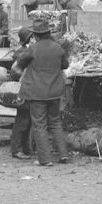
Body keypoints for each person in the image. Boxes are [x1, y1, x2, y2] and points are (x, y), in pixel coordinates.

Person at [13, 19, 70, 166]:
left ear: (36, 35)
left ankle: (45, 159)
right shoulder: (58, 48)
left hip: (37, 92)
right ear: (48, 33)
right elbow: (65, 65)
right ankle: (63, 155)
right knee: (55, 123)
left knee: (39, 125)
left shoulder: (32, 49)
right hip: (55, 92)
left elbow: (18, 66)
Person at [9, 27, 35, 160]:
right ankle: (17, 149)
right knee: (23, 120)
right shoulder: (23, 53)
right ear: (28, 39)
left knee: (27, 120)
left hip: (27, 89)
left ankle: (24, 148)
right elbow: (16, 72)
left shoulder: (23, 51)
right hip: (24, 89)